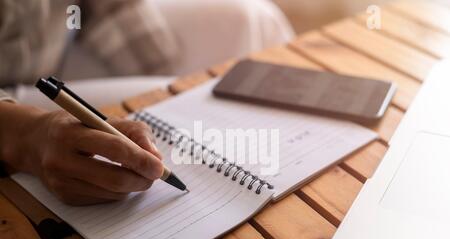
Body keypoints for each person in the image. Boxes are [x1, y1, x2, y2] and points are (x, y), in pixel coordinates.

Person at [0, 0, 294, 205]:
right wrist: (25, 134)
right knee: (170, 92)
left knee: (254, 19)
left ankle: (287, 156)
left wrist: (160, 69)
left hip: (57, 33)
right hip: (9, 85)